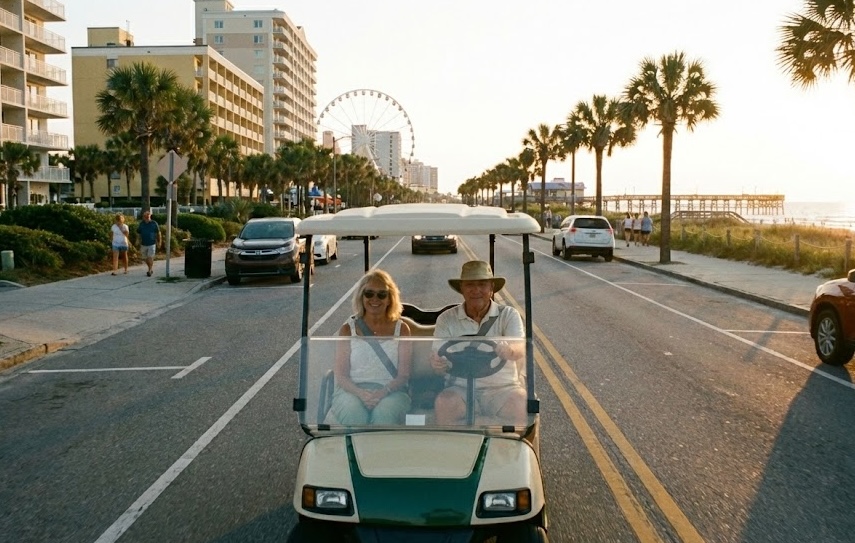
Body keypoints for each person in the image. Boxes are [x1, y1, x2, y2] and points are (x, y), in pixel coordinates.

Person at [430, 261, 527, 425]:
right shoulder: (446, 319)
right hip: (460, 388)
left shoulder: (508, 315)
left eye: (482, 284)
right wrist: (437, 364)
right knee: (444, 402)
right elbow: (437, 355)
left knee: (520, 403)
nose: (476, 290)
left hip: (502, 388)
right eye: (470, 285)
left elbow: (519, 347)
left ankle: (514, 449)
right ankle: (450, 449)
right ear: (462, 288)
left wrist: (510, 350)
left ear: (491, 288)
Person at [330, 270, 413, 425]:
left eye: (382, 294)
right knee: (353, 414)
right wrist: (360, 393)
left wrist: (382, 393)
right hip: (352, 390)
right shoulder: (348, 329)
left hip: (391, 391)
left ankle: (381, 449)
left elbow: (403, 375)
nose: (375, 299)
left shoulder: (402, 329)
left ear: (390, 299)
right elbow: (341, 375)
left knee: (384, 414)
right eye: (369, 294)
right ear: (362, 297)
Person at [137, 211, 162, 277]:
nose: (147, 217)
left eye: (148, 216)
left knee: (150, 257)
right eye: (145, 216)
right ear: (143, 217)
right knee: (145, 258)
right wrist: (137, 240)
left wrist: (159, 242)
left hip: (152, 243)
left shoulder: (154, 223)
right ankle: (150, 268)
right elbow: (139, 233)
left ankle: (150, 270)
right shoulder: (141, 224)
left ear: (150, 216)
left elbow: (158, 233)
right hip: (143, 243)